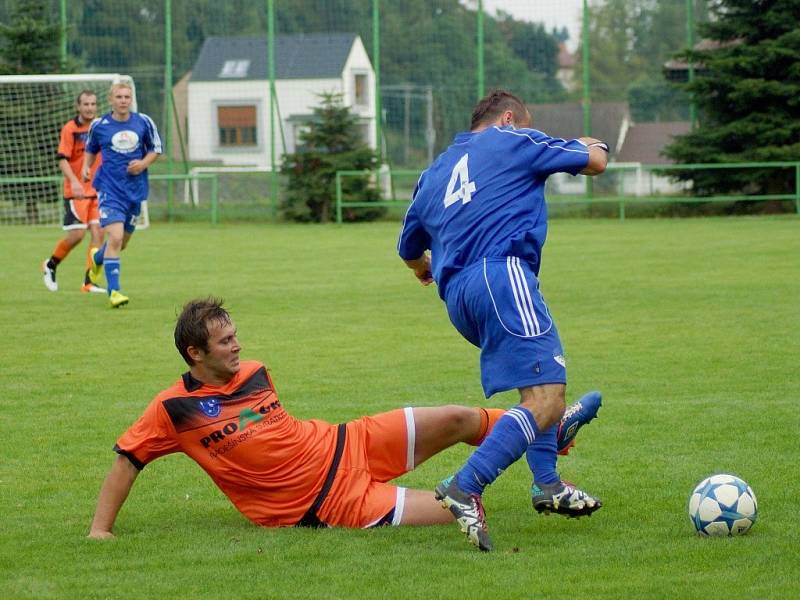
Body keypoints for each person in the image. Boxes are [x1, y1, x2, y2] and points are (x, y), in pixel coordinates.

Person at [88, 297, 599, 539]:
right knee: (454, 509)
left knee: (460, 417)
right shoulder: (172, 409)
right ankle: (546, 436)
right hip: (331, 501)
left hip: (349, 441)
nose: (238, 346)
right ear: (195, 353)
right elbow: (126, 460)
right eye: (225, 342)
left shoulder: (257, 371)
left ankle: (548, 430)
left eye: (236, 334)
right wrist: (100, 531)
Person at [397, 89, 609, 551]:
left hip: (460, 300)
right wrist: (598, 144)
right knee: (549, 397)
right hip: (502, 274)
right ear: (508, 119)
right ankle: (466, 485)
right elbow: (594, 163)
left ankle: (548, 483)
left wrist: (425, 270)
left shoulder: (431, 174)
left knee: (535, 388)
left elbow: (409, 249)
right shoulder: (512, 140)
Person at [82, 81, 162, 308]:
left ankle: (98, 259)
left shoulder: (143, 122)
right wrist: (86, 168)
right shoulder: (100, 125)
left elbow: (156, 148)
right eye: (119, 97)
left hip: (134, 192)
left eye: (127, 97)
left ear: (131, 99)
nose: (123, 100)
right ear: (111, 99)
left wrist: (143, 164)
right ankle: (114, 292)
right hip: (109, 189)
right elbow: (91, 148)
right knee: (115, 238)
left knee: (121, 243)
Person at [41, 90, 105, 294]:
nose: (90, 108)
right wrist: (75, 182)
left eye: (93, 104)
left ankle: (89, 281)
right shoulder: (70, 128)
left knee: (98, 233)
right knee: (77, 235)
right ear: (78, 106)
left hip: (99, 189)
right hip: (76, 191)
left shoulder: (102, 127)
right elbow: (62, 159)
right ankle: (51, 264)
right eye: (86, 104)